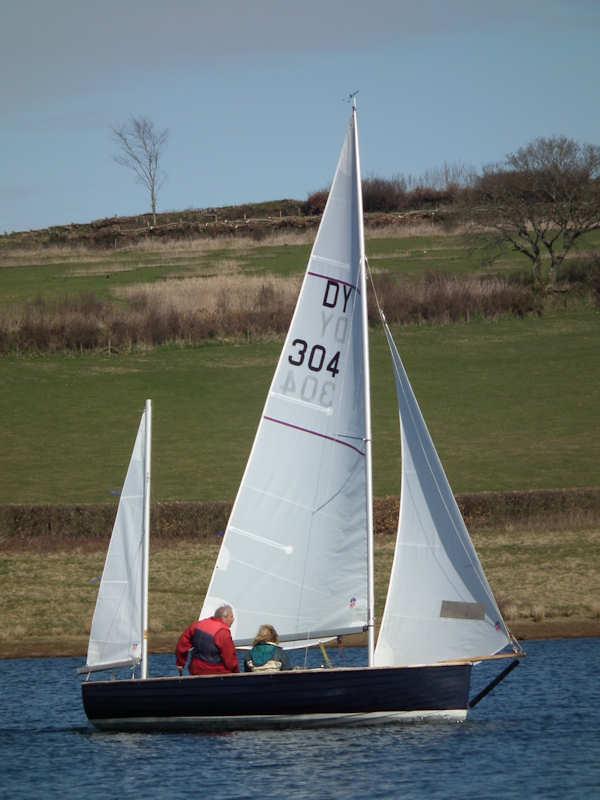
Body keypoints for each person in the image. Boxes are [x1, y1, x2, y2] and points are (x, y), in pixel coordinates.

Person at [176, 604, 239, 676]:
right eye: (231, 616)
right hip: (217, 672)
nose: (233, 619)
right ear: (224, 617)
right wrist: (236, 674)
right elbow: (230, 658)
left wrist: (180, 663)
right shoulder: (223, 632)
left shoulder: (198, 625)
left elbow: (182, 644)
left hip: (196, 670)